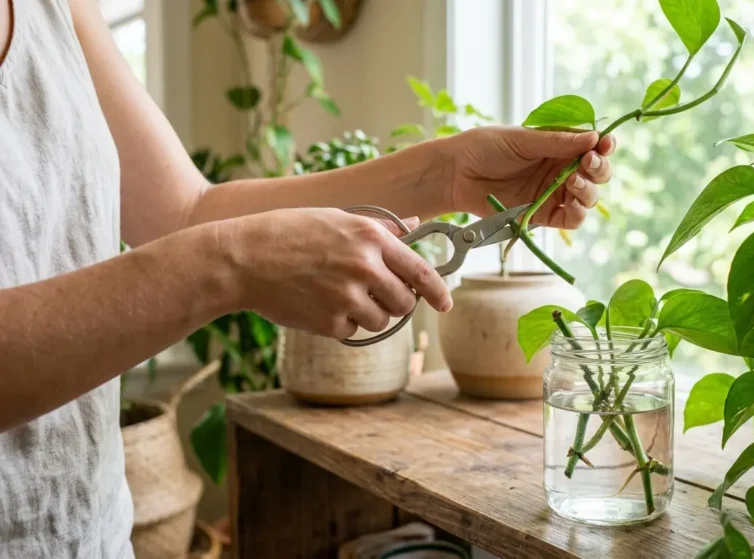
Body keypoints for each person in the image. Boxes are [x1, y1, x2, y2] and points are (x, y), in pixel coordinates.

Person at [0, 1, 616, 557]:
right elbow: (202, 242)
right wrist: (230, 262)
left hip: (89, 536)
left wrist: (445, 174)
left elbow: (184, 212)